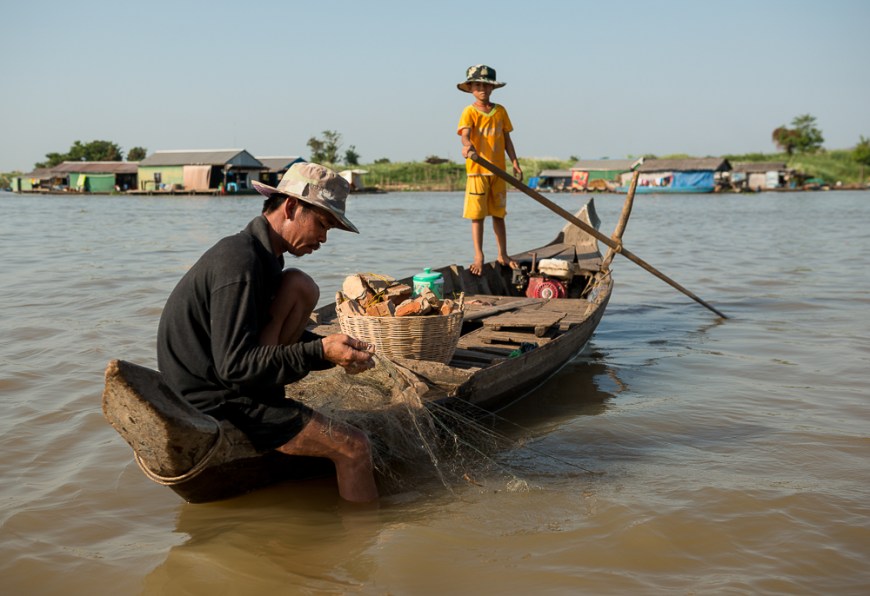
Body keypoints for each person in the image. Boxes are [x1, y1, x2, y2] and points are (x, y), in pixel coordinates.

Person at [156, 162, 378, 503]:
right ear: (290, 207)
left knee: (300, 285)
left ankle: (280, 415)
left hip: (230, 385)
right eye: (322, 224)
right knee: (354, 448)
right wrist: (320, 352)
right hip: (216, 401)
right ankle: (364, 549)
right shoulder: (240, 262)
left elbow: (250, 339)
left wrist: (333, 352)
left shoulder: (263, 258)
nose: (323, 238)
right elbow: (234, 364)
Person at [456, 64, 523, 276]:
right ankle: (479, 255)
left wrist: (514, 162)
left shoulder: (500, 111)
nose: (482, 89)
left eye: (486, 86)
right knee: (478, 217)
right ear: (471, 89)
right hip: (478, 171)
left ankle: (503, 254)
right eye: (477, 86)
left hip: (498, 172)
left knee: (499, 215)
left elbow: (507, 139)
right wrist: (467, 146)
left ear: (492, 88)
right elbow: (464, 134)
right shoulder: (469, 111)